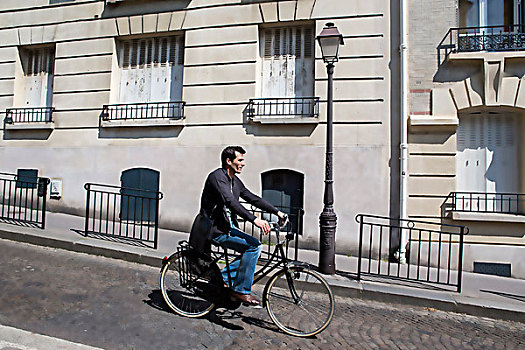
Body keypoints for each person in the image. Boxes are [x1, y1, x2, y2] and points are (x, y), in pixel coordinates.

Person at [189, 146, 286, 306]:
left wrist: (277, 212)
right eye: (240, 160)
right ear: (229, 161)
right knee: (254, 247)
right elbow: (230, 201)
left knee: (252, 251)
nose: (243, 163)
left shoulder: (234, 181)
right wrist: (254, 219)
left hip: (228, 227)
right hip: (214, 229)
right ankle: (241, 290)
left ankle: (224, 279)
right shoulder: (217, 177)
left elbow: (253, 198)